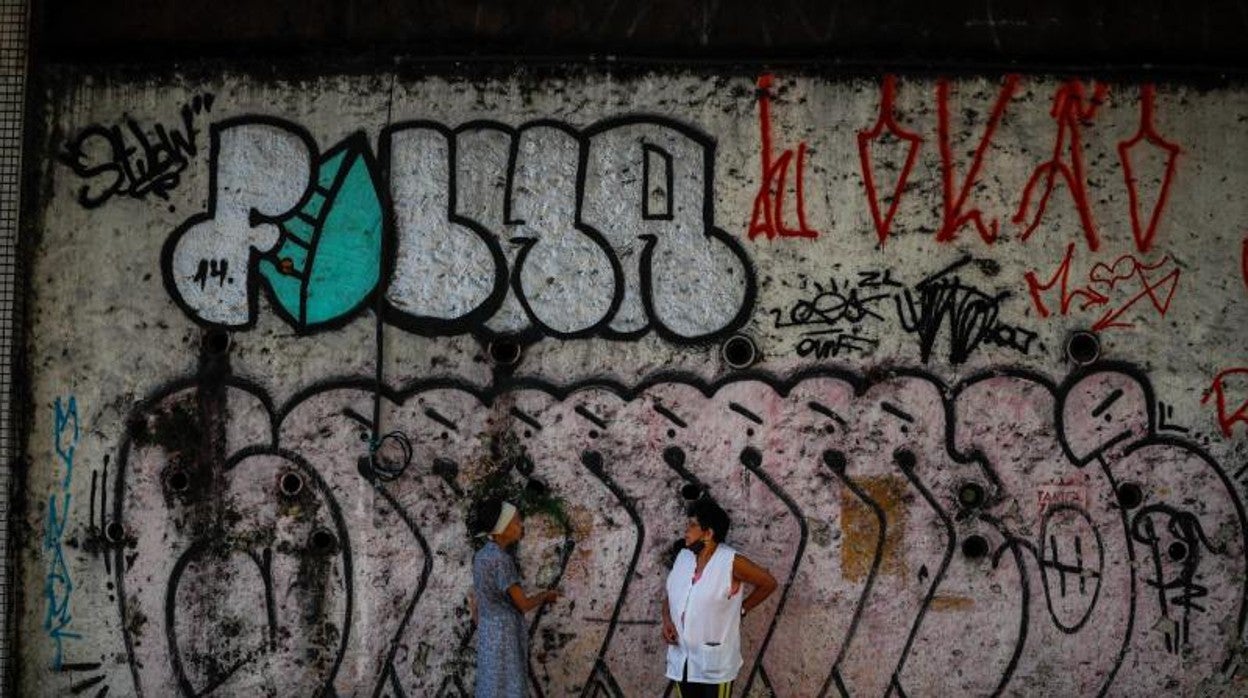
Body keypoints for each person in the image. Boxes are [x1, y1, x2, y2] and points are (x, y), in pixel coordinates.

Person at [662, 498, 777, 697]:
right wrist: (667, 621)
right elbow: (671, 595)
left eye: (692, 525)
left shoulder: (730, 562)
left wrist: (742, 609)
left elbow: (768, 583)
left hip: (714, 665)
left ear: (708, 533)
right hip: (682, 661)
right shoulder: (684, 557)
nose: (686, 531)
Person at [471, 498, 558, 698]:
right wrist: (546, 595)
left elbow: (479, 600)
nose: (521, 525)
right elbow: (524, 604)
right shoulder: (502, 560)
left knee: (490, 686)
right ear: (503, 528)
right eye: (517, 521)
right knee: (510, 687)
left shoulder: (481, 556)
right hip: (504, 633)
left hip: (487, 630)